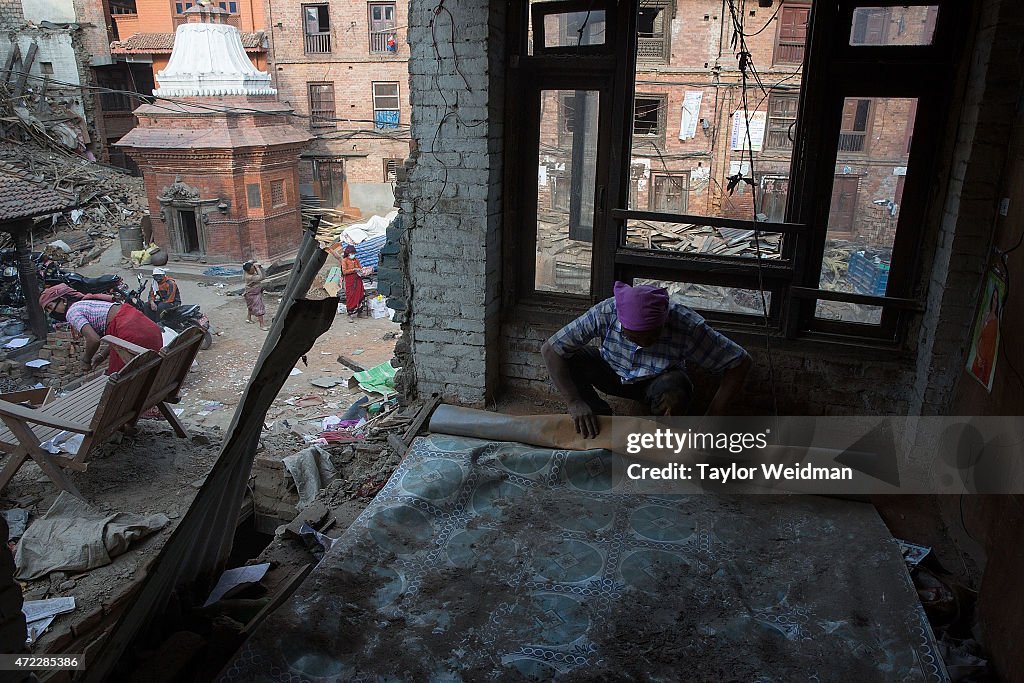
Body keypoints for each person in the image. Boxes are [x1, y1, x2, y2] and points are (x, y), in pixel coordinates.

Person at [541, 281, 752, 438]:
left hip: (657, 382)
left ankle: (663, 435)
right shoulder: (606, 311)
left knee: (675, 389)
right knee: (572, 359)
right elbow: (551, 350)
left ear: (664, 322)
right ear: (621, 323)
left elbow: (740, 361)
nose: (643, 343)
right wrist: (574, 401)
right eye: (633, 337)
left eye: (652, 336)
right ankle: (598, 420)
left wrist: (713, 415)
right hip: (612, 370)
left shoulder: (686, 325)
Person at [39, 284, 163, 375]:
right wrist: (102, 356)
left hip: (130, 331)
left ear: (64, 300)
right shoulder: (86, 302)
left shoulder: (72, 312)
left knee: (119, 377)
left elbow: (94, 339)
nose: (51, 312)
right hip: (147, 328)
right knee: (145, 375)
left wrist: (85, 360)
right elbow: (116, 337)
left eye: (50, 307)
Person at [341, 245, 365, 321]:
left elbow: (360, 268)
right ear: (348, 253)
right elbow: (344, 271)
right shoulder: (344, 260)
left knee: (360, 295)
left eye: (353, 253)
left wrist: (360, 270)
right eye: (351, 253)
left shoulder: (356, 260)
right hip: (350, 280)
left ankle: (359, 312)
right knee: (351, 296)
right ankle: (350, 313)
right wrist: (353, 270)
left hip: (358, 279)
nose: (353, 254)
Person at [243, 260, 269, 331]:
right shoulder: (250, 277)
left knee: (250, 306)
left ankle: (248, 318)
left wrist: (253, 262)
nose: (253, 270)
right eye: (252, 269)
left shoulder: (245, 271)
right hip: (253, 293)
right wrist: (257, 268)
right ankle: (262, 325)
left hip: (249, 292)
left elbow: (247, 262)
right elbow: (261, 277)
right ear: (248, 271)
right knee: (259, 307)